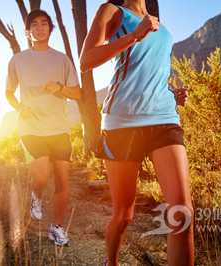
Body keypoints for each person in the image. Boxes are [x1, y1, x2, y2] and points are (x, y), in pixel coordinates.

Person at [79, 0, 194, 265]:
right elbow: (86, 61)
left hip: (164, 119)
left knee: (182, 214)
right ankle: (112, 262)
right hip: (122, 123)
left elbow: (152, 71)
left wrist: (171, 94)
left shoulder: (158, 23)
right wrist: (134, 35)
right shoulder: (111, 11)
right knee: (123, 216)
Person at [5, 10, 80, 246]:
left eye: (44, 24)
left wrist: (60, 87)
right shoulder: (18, 60)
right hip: (31, 127)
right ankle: (37, 195)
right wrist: (18, 107)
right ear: (28, 31)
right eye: (34, 25)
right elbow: (8, 92)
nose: (39, 28)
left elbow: (77, 93)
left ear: (50, 29)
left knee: (62, 179)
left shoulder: (62, 59)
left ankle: (56, 228)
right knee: (41, 174)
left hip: (59, 128)